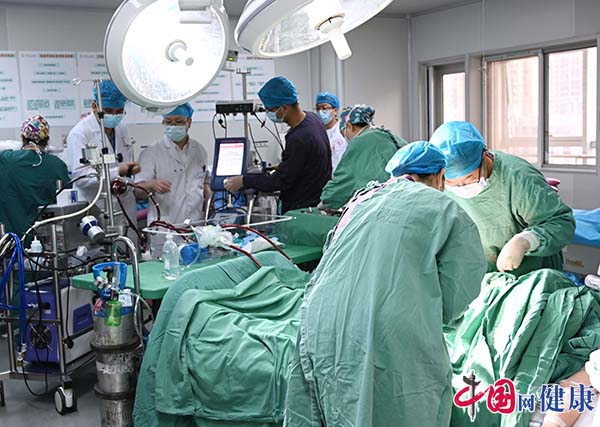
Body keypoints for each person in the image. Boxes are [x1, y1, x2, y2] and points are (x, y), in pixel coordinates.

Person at [284, 141, 487, 427]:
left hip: (320, 320)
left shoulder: (361, 201)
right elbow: (457, 293)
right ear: (440, 176)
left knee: (334, 405)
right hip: (386, 330)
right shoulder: (445, 209)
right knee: (397, 406)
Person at [430, 121, 575, 276]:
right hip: (480, 276)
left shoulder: (519, 177)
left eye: (469, 178)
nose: (461, 187)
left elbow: (561, 222)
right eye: (451, 182)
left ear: (484, 156)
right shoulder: (437, 183)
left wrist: (526, 241)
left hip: (530, 275)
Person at [223, 77, 332, 213]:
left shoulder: (299, 138)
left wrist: (244, 181)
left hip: (301, 210)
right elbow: (303, 164)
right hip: (316, 201)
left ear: (284, 108)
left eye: (269, 110)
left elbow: (280, 181)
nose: (268, 113)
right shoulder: (312, 119)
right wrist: (283, 166)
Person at [64, 80, 140, 233]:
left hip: (124, 206)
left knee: (128, 243)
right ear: (95, 106)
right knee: (100, 245)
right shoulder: (80, 134)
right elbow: (80, 177)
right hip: (96, 207)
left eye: (119, 111)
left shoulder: (122, 128)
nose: (114, 115)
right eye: (108, 111)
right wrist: (117, 172)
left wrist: (130, 172)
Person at [135, 103, 211, 255]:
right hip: (165, 230)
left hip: (196, 227)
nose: (174, 126)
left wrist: (208, 193)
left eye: (179, 122)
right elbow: (137, 192)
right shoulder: (151, 152)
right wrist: (151, 185)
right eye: (169, 122)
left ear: (189, 122)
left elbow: (204, 180)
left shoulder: (199, 150)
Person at [319, 105, 408, 210]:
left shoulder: (360, 142)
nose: (345, 138)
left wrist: (325, 202)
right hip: (403, 201)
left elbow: (344, 180)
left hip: (380, 206)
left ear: (349, 126)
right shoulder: (392, 137)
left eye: (344, 134)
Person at [0, 115, 69, 238]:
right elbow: (68, 199)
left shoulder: (6, 160)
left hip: (12, 240)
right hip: (49, 239)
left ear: (22, 137)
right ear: (47, 140)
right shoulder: (58, 165)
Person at [315, 92, 347, 171]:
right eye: (318, 109)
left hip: (342, 175)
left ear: (335, 110)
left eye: (324, 108)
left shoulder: (344, 131)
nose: (320, 112)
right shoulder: (315, 132)